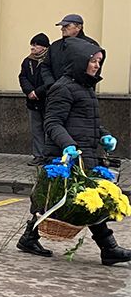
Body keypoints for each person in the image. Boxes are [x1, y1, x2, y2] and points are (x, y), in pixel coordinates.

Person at [16, 38, 129, 265]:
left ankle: (30, 238)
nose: (97, 66)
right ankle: (109, 248)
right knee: (73, 200)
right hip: (66, 156)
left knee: (83, 200)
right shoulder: (62, 88)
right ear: (80, 62)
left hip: (85, 153)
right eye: (93, 61)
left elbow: (89, 122)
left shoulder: (85, 88)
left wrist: (104, 135)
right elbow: (53, 122)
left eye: (100, 62)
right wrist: (68, 145)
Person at [39, 13, 92, 96]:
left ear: (78, 27)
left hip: (81, 95)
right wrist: (51, 84)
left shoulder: (91, 46)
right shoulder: (55, 46)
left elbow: (92, 71)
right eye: (62, 26)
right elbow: (45, 66)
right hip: (56, 93)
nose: (62, 29)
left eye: (66, 26)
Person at [18, 33, 52, 165]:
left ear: (44, 47)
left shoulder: (49, 60)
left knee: (50, 128)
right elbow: (23, 77)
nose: (33, 47)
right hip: (32, 101)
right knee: (36, 129)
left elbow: (51, 81)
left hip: (47, 100)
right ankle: (39, 155)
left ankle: (49, 155)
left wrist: (38, 92)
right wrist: (29, 91)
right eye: (32, 44)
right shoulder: (28, 61)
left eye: (36, 45)